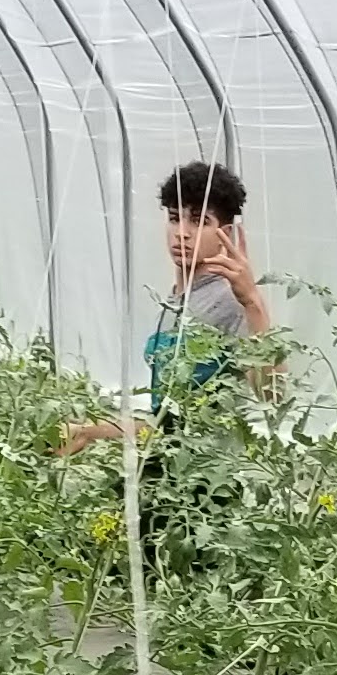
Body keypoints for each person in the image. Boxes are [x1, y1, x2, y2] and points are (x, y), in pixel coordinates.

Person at [60, 160, 274, 464]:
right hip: (170, 476)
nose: (182, 233)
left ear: (225, 233)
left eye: (200, 221)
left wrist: (253, 302)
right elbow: (166, 425)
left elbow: (273, 397)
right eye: (175, 218)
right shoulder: (175, 302)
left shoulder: (231, 302)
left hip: (209, 486)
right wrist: (88, 432)